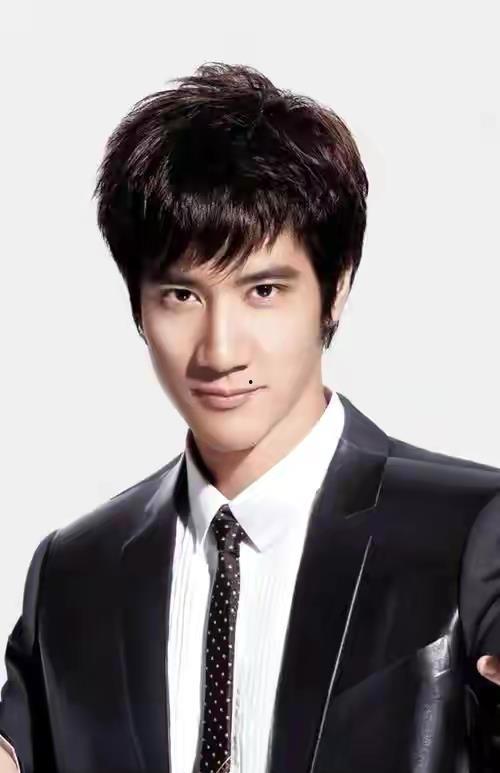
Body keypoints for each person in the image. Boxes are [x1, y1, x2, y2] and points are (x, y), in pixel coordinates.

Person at [1, 62, 499, 773]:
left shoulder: (473, 531)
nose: (220, 350)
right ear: (137, 304)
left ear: (335, 288)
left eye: (263, 290)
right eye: (181, 295)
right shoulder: (74, 572)